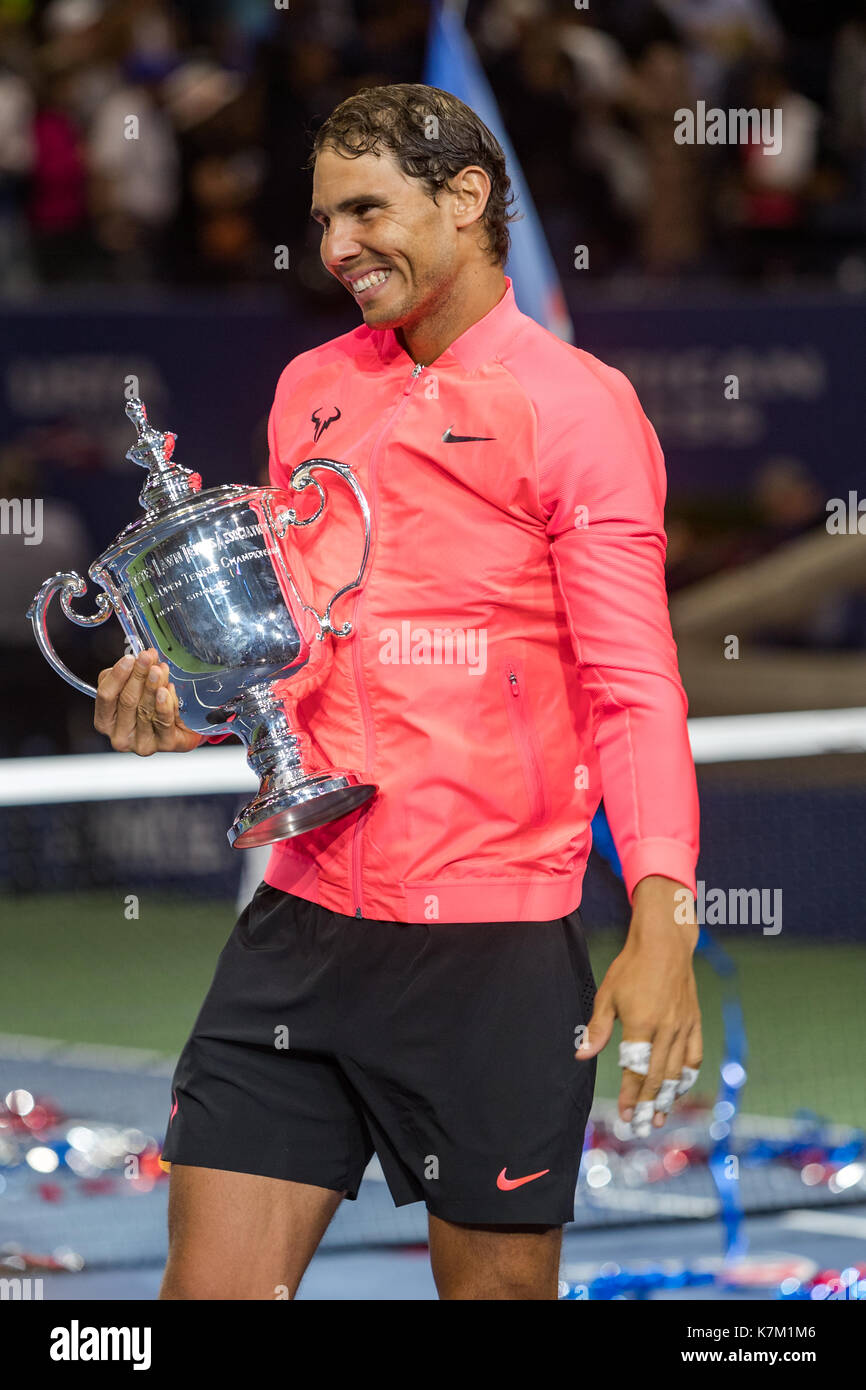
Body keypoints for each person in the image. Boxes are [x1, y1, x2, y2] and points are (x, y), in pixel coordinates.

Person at [93, 83, 702, 1301]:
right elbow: (295, 647)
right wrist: (187, 703)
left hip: (491, 961)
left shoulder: (577, 408)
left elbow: (632, 685)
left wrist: (662, 919)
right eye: (321, 220)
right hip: (300, 927)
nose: (334, 249)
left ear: (466, 199)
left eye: (365, 209)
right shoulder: (308, 387)